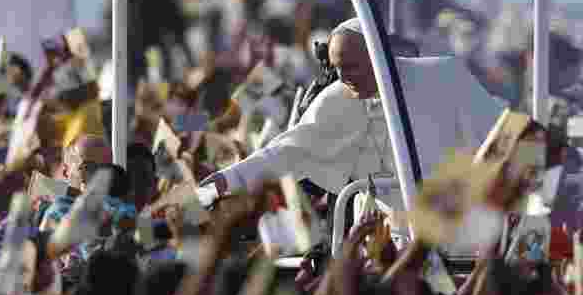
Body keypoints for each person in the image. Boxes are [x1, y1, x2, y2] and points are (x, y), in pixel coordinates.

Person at [198, 18, 505, 211]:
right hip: (395, 236)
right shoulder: (338, 98)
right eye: (338, 69)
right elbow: (285, 151)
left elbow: (502, 136)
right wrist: (228, 180)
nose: (345, 77)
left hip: (467, 222)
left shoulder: (443, 75)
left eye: (352, 67)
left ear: (377, 55)